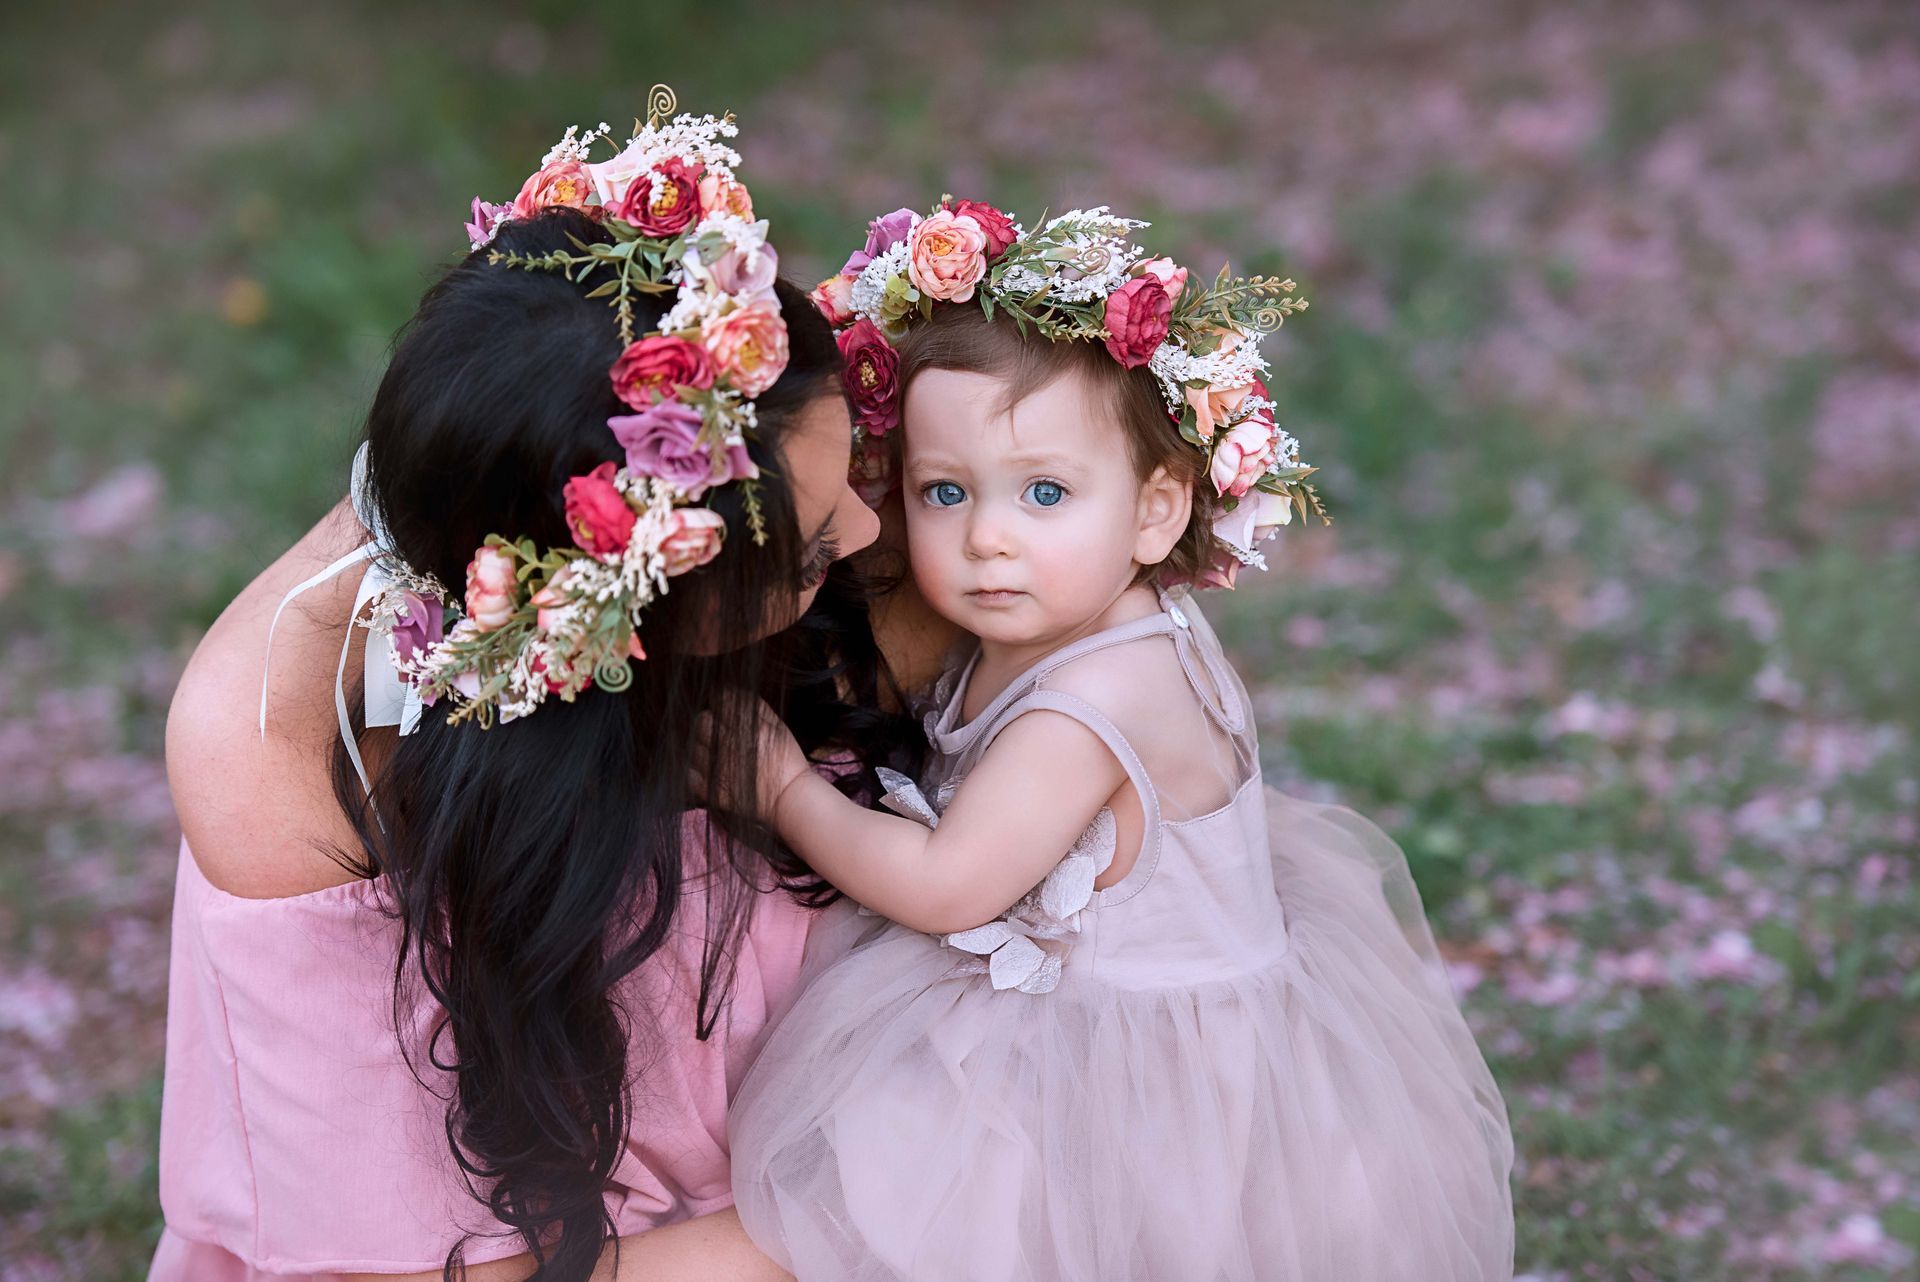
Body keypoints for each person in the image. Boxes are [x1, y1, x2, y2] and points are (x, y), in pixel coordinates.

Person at [152, 104, 900, 1281]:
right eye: (809, 554)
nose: (866, 529)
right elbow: (436, 1265)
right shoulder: (279, 749)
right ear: (644, 603)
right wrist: (895, 1206)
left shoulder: (719, 418)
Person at [725, 202, 1516, 1280]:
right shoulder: (1078, 601)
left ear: (1155, 513)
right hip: (1140, 1010)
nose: (988, 536)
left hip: (1136, 1067)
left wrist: (781, 784)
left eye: (1044, 492)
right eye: (944, 490)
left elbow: (949, 885)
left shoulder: (1093, 699)